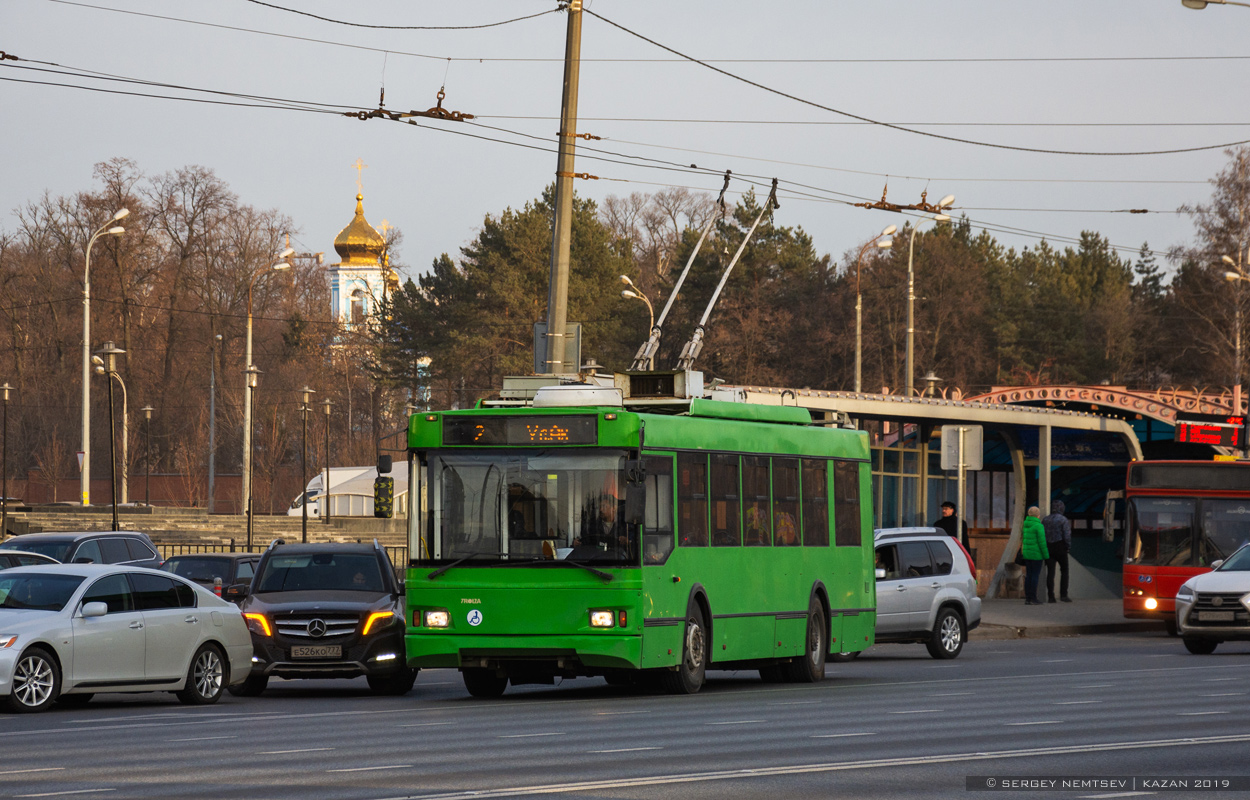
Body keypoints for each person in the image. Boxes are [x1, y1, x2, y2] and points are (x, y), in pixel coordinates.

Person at [1042, 500, 1073, 603]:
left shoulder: (1045, 520)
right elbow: (1067, 535)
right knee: (1064, 571)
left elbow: (1042, 535)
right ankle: (1063, 595)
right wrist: (1068, 546)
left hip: (1048, 547)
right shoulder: (1063, 520)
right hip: (1060, 547)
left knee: (1050, 572)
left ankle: (1051, 596)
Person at [1021, 506, 1049, 605]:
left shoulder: (1025, 524)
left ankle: (1027, 598)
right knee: (1034, 576)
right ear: (1038, 515)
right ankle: (1033, 597)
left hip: (1027, 554)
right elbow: (1042, 543)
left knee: (1028, 575)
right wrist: (1046, 556)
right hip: (1037, 555)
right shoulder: (1039, 526)